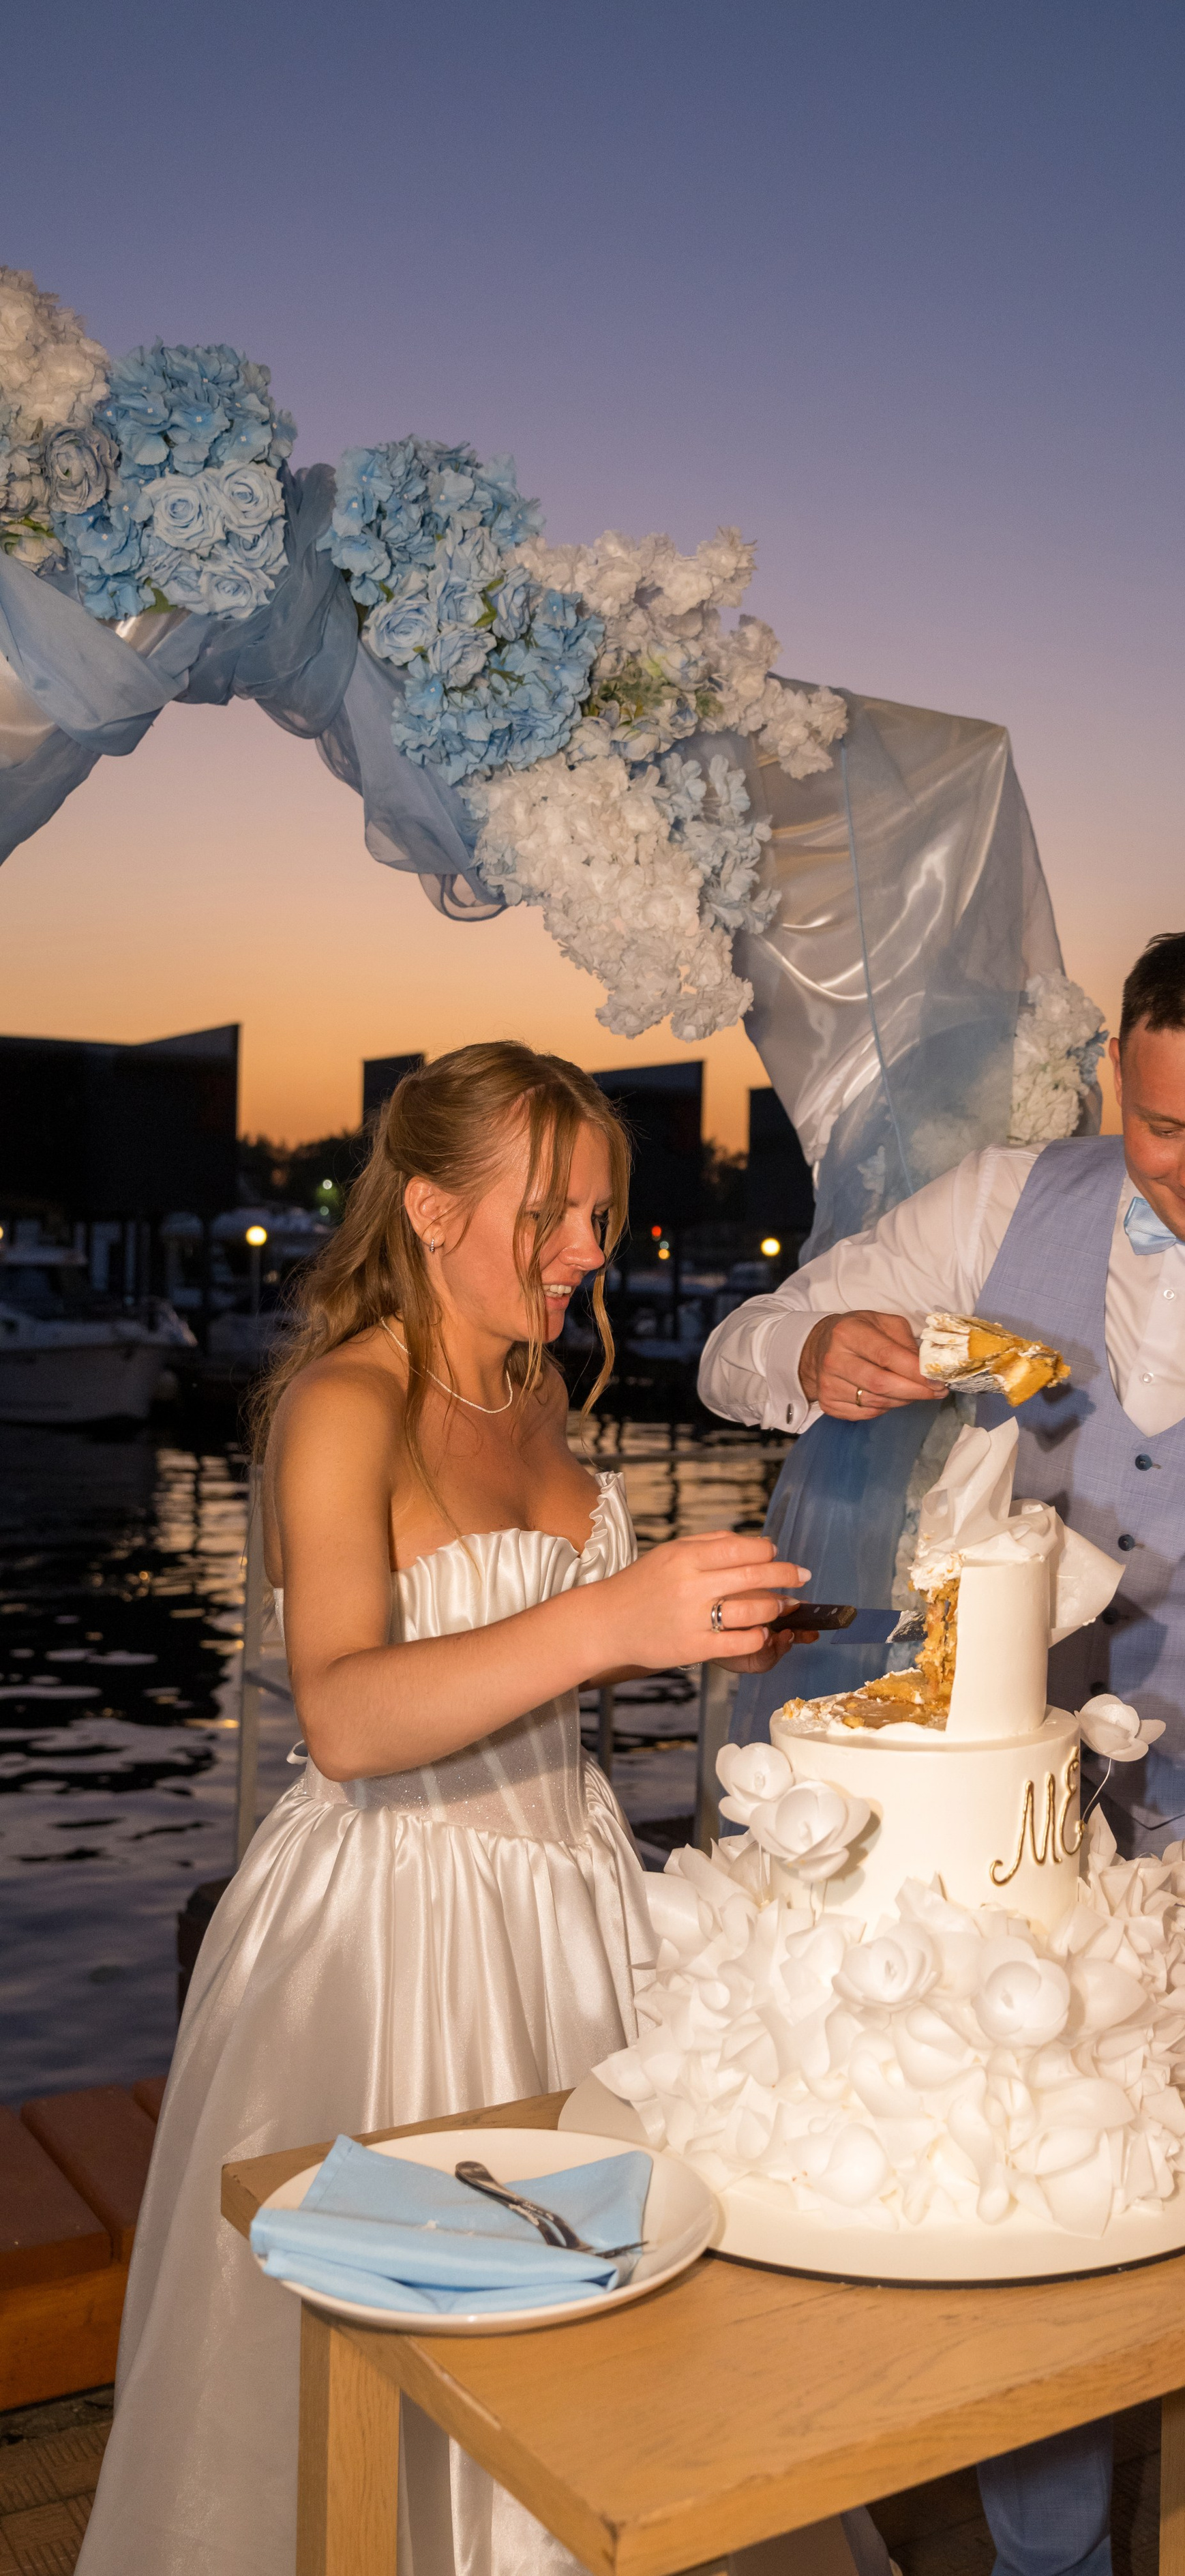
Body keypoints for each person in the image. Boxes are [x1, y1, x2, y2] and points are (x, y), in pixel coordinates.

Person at [699, 927, 1185, 2576]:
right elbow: (735, 1350)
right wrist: (812, 1357)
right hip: (1007, 1855)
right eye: (1163, 1126)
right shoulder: (999, 1202)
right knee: (1030, 2228)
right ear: (1116, 1079)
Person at [78, 1042, 810, 2576]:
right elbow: (344, 1715)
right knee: (399, 2362)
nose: (586, 1256)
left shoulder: (543, 1386)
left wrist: (696, 1625)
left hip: (577, 1907)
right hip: (391, 1932)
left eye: (599, 1216)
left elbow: (534, 1669)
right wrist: (612, 1621)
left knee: (619, 2355)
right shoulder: (343, 1404)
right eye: (548, 1215)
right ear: (425, 1208)